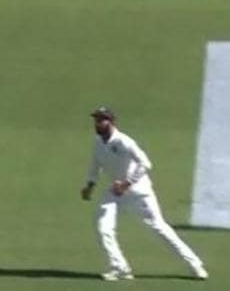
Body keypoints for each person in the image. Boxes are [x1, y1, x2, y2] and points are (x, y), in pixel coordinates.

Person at [80, 106, 208, 281]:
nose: (98, 123)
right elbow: (95, 165)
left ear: (111, 122)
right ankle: (120, 267)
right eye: (96, 120)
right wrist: (90, 185)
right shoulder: (97, 142)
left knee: (159, 228)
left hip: (139, 192)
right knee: (103, 226)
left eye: (102, 120)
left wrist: (126, 183)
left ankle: (195, 265)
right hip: (115, 191)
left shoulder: (124, 141)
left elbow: (146, 163)